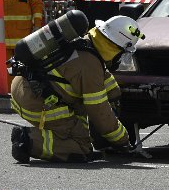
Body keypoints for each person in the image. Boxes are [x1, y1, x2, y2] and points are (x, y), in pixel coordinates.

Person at [9, 15, 143, 163]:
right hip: (34, 102)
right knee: (82, 147)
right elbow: (99, 111)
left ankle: (69, 133)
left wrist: (116, 94)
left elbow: (103, 77)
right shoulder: (90, 66)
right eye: (123, 52)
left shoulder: (86, 44)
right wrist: (123, 141)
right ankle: (27, 141)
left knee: (80, 110)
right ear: (115, 48)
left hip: (22, 86)